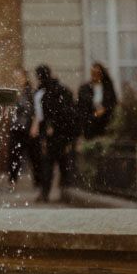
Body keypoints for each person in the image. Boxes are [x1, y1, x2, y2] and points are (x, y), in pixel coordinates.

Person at [30, 64, 80, 202]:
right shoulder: (57, 90)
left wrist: (49, 128)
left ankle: (51, 193)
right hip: (60, 133)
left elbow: (51, 113)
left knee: (51, 163)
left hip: (55, 134)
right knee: (61, 163)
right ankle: (63, 193)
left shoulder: (49, 92)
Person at [7, 68, 36, 185]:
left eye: (18, 77)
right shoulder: (14, 91)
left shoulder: (30, 92)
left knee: (32, 155)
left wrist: (34, 126)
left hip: (27, 127)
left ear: (25, 77)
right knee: (13, 154)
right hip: (15, 126)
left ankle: (38, 181)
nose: (16, 79)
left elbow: (32, 110)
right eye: (15, 77)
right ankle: (12, 179)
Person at [78, 62, 117, 139]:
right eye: (93, 73)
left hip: (106, 121)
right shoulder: (85, 88)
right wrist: (93, 114)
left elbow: (112, 102)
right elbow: (82, 106)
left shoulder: (107, 87)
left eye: (97, 73)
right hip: (90, 123)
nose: (95, 76)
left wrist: (104, 110)